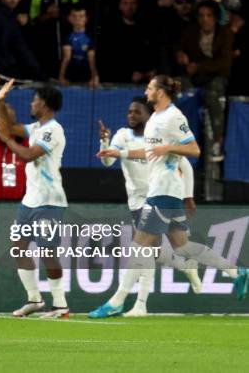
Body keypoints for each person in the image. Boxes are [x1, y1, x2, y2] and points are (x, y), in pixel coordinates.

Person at [90, 75, 249, 318]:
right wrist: (119, 152)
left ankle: (117, 301)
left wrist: (170, 148)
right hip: (164, 190)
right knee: (182, 247)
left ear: (161, 92)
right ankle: (235, 272)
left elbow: (194, 149)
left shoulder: (175, 117)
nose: (146, 91)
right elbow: (149, 152)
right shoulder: (156, 116)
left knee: (139, 248)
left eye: (150, 87)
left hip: (163, 190)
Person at [98, 97, 201, 317]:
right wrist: (105, 144)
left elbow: (185, 165)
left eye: (136, 112)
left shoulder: (158, 136)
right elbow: (108, 161)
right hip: (137, 201)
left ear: (148, 115)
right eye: (129, 112)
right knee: (153, 253)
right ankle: (186, 267)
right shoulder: (122, 135)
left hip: (158, 198)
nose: (131, 116)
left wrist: (188, 195)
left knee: (144, 251)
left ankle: (139, 305)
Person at [0, 80, 70, 319]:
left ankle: (60, 305)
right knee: (19, 248)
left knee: (48, 252)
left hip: (50, 201)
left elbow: (27, 155)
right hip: (30, 201)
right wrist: (0, 101)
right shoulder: (36, 127)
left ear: (44, 104)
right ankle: (34, 299)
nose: (31, 103)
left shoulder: (52, 130)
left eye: (35, 99)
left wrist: (6, 139)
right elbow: (10, 126)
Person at [175, 0, 234, 161]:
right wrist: (180, 54)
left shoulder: (225, 34)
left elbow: (225, 64)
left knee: (214, 95)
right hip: (195, 77)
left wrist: (199, 67)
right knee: (172, 88)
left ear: (215, 18)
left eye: (209, 16)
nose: (205, 19)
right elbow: (178, 47)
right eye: (201, 16)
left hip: (217, 77)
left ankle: (217, 142)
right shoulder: (191, 32)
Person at [58, 4, 99, 87]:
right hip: (71, 76)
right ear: (69, 19)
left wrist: (95, 77)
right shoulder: (68, 38)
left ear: (86, 19)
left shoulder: (90, 38)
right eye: (74, 16)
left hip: (86, 76)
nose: (78, 19)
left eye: (81, 16)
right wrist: (61, 77)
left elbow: (91, 59)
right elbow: (66, 58)